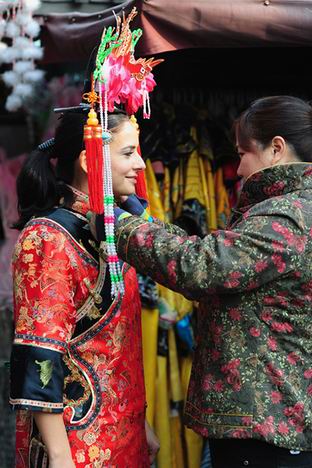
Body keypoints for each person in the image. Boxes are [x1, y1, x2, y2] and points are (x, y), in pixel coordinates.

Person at [94, 95, 312, 468]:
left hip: (267, 426)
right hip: (266, 418)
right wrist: (141, 222)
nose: (238, 167)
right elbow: (212, 253)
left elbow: (201, 265)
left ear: (276, 149)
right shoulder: (287, 209)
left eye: (243, 153)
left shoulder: (289, 216)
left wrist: (120, 225)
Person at [9, 108, 160, 468]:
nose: (140, 164)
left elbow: (113, 348)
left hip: (123, 433)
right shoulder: (48, 236)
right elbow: (39, 354)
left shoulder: (110, 231)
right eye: (128, 153)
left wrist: (142, 423)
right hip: (76, 444)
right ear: (88, 161)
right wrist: (61, 457)